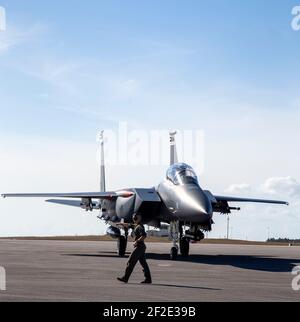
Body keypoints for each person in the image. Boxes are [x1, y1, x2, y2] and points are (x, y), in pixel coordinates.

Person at [117, 214, 152, 284]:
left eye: (136, 217)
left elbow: (144, 235)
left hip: (139, 246)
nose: (134, 217)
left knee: (131, 261)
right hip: (141, 247)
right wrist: (121, 224)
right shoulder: (136, 225)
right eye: (134, 216)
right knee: (143, 264)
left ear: (139, 218)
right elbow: (129, 225)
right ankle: (148, 279)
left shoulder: (140, 226)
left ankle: (125, 278)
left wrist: (137, 241)